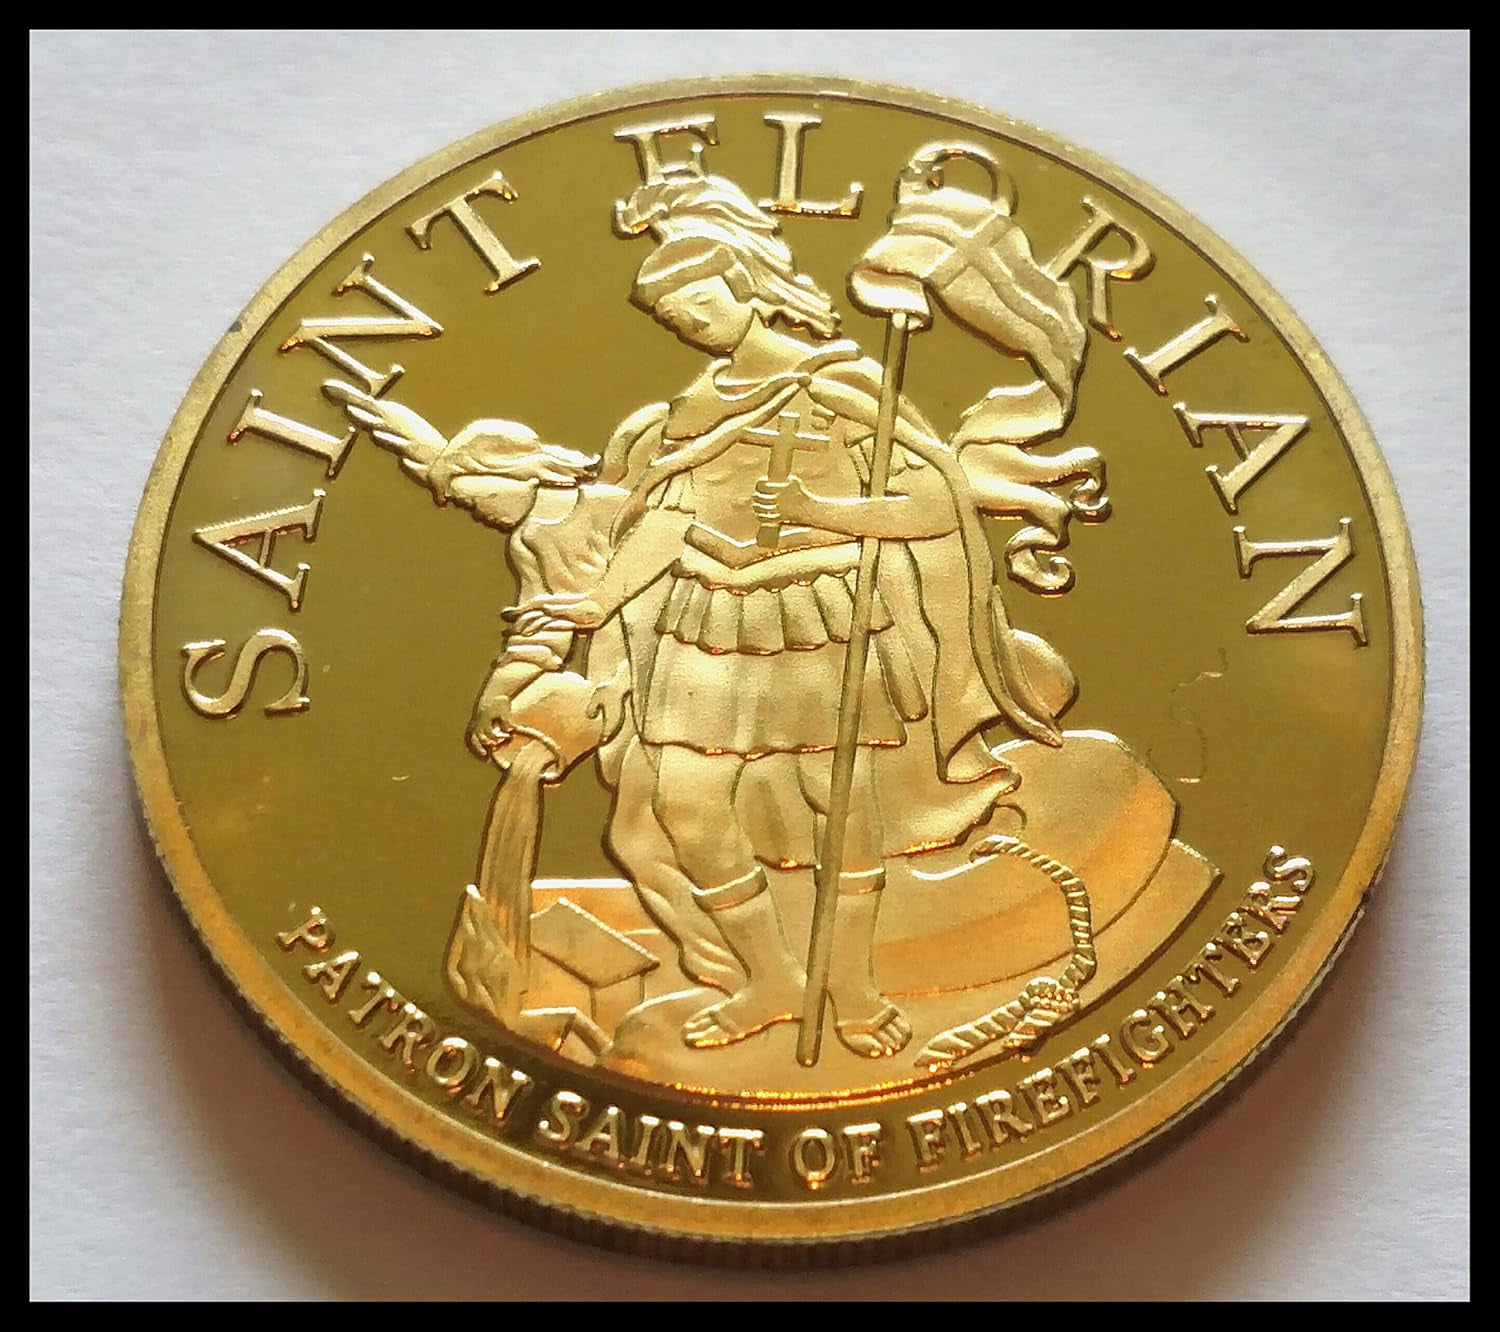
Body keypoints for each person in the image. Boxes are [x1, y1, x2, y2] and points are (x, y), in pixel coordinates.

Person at [526, 168, 1082, 1058]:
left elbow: (934, 508)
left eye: (697, 300)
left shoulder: (839, 385)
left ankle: (852, 991)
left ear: (743, 283)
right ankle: (773, 980)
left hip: (817, 618)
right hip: (703, 624)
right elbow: (668, 521)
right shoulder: (691, 411)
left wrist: (823, 513)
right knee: (688, 810)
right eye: (672, 315)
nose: (688, 322)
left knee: (841, 811)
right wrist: (600, 600)